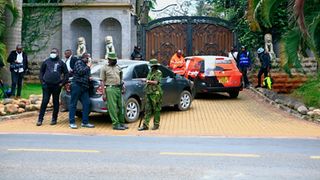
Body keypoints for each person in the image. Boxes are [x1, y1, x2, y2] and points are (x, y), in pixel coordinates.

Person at [37, 48, 69, 126]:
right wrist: (42, 82)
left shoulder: (61, 63)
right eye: (51, 52)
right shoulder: (46, 62)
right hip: (46, 85)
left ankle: (54, 119)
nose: (53, 53)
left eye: (54, 52)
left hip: (56, 86)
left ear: (58, 53)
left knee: (55, 102)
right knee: (45, 101)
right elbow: (41, 72)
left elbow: (66, 74)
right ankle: (40, 119)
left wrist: (62, 83)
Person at [100, 52, 127, 130]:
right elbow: (102, 81)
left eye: (115, 59)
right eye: (113, 59)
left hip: (119, 88)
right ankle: (115, 124)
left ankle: (122, 123)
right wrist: (103, 93)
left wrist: (123, 86)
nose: (115, 61)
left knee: (122, 106)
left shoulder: (118, 67)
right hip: (110, 89)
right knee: (113, 108)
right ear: (109, 60)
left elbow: (121, 78)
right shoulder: (104, 68)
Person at [68, 53, 95, 129]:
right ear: (84, 58)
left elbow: (86, 74)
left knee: (87, 103)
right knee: (73, 104)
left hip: (84, 87)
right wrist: (88, 66)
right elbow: (80, 72)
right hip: (77, 85)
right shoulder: (78, 62)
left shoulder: (86, 65)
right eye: (88, 58)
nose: (89, 59)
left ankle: (85, 122)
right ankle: (72, 122)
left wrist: (89, 78)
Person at [138, 59, 163, 131]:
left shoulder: (158, 73)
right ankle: (145, 125)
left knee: (156, 109)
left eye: (151, 66)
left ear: (154, 66)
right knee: (147, 109)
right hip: (149, 92)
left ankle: (156, 124)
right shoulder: (150, 72)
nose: (150, 67)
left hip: (156, 93)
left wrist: (147, 81)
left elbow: (156, 82)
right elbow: (148, 80)